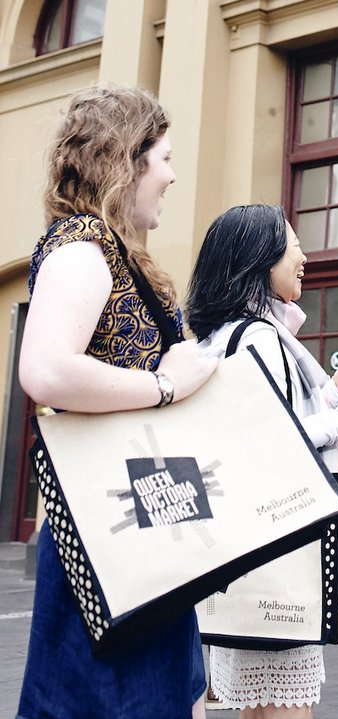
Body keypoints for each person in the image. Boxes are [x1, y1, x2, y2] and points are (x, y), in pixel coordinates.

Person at [16, 85, 218, 718]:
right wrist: (166, 385)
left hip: (132, 530)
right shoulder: (83, 245)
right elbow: (46, 370)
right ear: (126, 161)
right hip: (108, 539)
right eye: (163, 158)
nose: (174, 175)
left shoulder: (113, 252)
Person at [186, 204, 338, 718]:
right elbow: (274, 442)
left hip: (250, 547)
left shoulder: (224, 335)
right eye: (292, 243)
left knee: (262, 704)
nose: (304, 256)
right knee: (285, 706)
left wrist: (332, 394)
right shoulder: (259, 337)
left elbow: (258, 424)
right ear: (260, 258)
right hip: (281, 550)